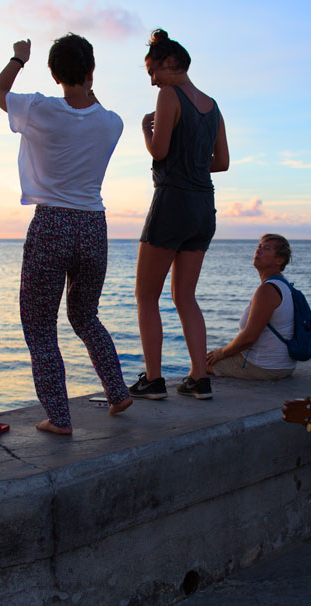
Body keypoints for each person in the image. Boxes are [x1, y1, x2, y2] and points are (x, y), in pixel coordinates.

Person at [0, 35, 132, 435]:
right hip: (92, 226)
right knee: (85, 315)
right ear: (91, 72)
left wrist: (18, 57)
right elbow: (93, 106)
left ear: (53, 74)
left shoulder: (37, 108)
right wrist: (86, 81)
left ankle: (59, 416)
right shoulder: (113, 123)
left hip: (52, 224)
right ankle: (118, 393)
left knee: (39, 326)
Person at [129, 29, 229, 401]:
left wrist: (145, 130)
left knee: (145, 296)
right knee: (185, 297)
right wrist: (193, 164)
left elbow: (158, 151)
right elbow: (222, 162)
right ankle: (199, 378)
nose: (152, 80)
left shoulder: (168, 95)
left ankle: (154, 380)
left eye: (152, 71)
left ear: (170, 63)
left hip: (172, 202)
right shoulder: (212, 105)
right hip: (204, 206)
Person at [204, 234, 297, 381]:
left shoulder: (268, 290)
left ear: (280, 260)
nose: (258, 251)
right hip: (282, 364)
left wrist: (220, 353)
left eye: (266, 249)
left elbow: (248, 338)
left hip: (265, 366)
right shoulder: (284, 285)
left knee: (200, 363)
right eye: (258, 247)